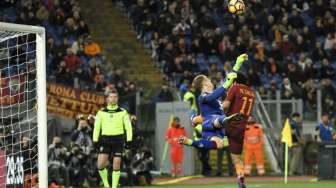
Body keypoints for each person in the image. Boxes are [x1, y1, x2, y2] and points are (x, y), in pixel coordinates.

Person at [179, 54, 247, 151]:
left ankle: (194, 124)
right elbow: (214, 94)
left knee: (219, 144)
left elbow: (230, 78)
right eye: (208, 79)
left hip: (217, 130)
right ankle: (192, 140)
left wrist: (238, 63)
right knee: (218, 119)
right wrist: (226, 85)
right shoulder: (202, 97)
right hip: (210, 122)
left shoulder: (215, 98)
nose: (210, 80)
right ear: (205, 83)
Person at [93, 90, 133, 188]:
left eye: (115, 97)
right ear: (107, 99)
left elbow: (128, 127)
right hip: (105, 140)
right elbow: (97, 127)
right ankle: (106, 185)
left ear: (117, 99)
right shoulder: (101, 112)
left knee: (117, 163)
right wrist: (95, 140)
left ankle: (114, 187)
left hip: (118, 140)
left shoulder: (123, 112)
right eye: (111, 97)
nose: (113, 99)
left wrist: (129, 141)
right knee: (100, 165)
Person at [223, 71, 255, 188]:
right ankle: (241, 178)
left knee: (207, 123)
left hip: (229, 125)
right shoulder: (252, 92)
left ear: (235, 81)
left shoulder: (235, 88)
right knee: (237, 159)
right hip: (241, 129)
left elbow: (225, 106)